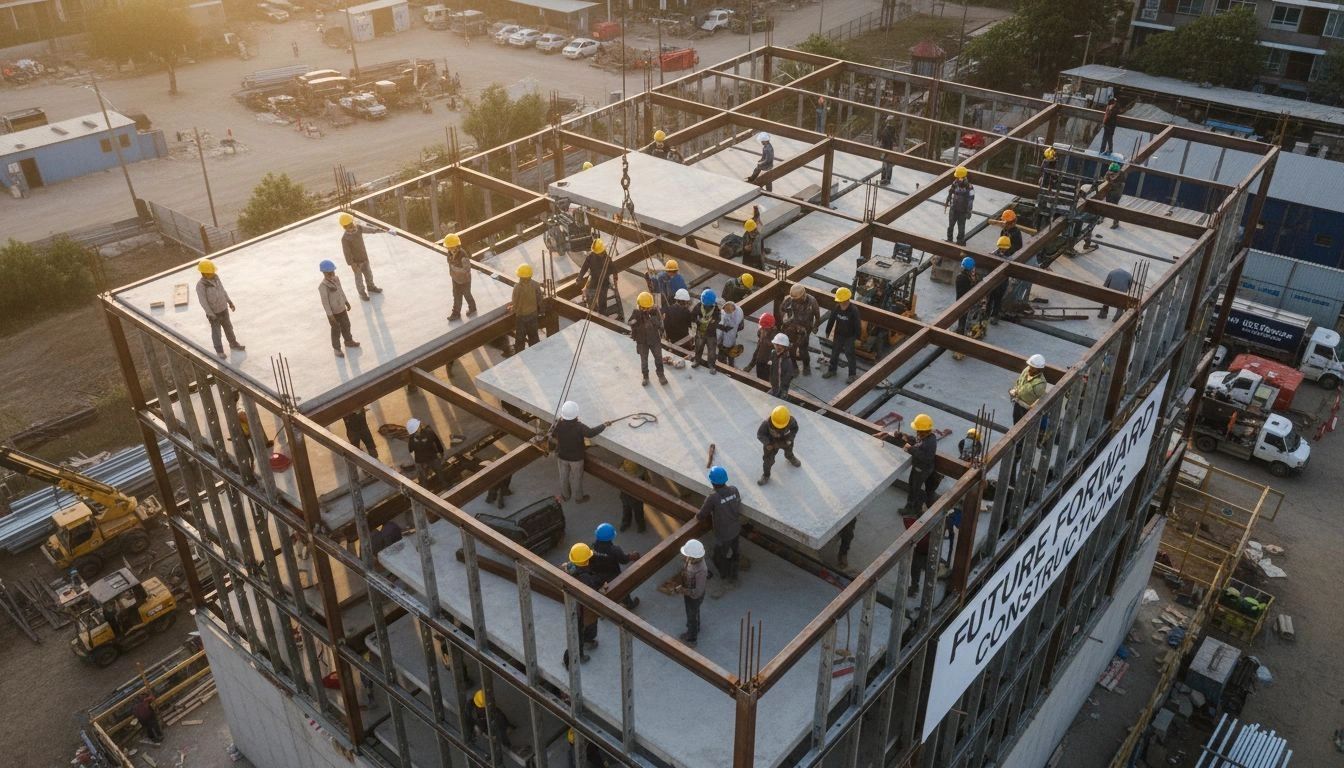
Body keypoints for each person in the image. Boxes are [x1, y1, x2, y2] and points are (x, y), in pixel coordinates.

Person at [697, 466, 741, 598]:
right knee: (735, 552)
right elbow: (737, 503)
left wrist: (698, 517)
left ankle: (726, 575)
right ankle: (734, 571)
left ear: (712, 482)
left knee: (718, 556)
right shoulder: (734, 489)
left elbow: (701, 515)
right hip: (736, 529)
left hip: (723, 534)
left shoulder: (713, 498)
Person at [552, 400, 607, 503]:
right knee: (577, 479)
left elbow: (553, 433)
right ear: (576, 414)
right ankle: (578, 498)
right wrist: (603, 425)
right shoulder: (579, 427)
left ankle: (565, 496)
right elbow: (591, 433)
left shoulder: (559, 424)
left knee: (563, 478)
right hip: (576, 459)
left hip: (562, 456)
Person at [195, 258, 245, 360]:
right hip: (214, 314)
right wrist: (210, 314)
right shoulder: (201, 286)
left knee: (229, 328)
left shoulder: (216, 278)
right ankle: (219, 351)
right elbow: (203, 302)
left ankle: (233, 344)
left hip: (223, 309)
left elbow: (222, 291)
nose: (213, 273)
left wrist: (229, 302)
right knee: (217, 333)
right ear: (204, 273)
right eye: (211, 272)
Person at [563, 543, 604, 663]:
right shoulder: (586, 577)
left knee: (580, 628)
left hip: (574, 605)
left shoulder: (570, 567)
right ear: (587, 559)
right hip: (582, 608)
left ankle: (585, 642)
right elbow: (593, 588)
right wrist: (601, 587)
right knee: (582, 628)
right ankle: (579, 653)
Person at [896, 413, 940, 515]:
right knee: (912, 485)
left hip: (922, 469)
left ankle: (912, 508)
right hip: (918, 467)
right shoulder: (925, 436)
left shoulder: (930, 442)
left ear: (923, 430)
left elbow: (926, 458)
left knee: (914, 489)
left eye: (918, 430)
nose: (917, 432)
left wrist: (910, 449)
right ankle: (916, 505)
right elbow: (916, 441)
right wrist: (904, 436)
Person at [590, 523, 641, 609]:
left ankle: (600, 604)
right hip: (612, 574)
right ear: (612, 536)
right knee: (622, 588)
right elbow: (623, 560)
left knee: (598, 588)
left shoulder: (592, 546)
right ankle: (628, 603)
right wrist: (632, 556)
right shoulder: (615, 549)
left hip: (596, 574)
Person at [319, 260, 361, 357]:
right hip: (333, 313)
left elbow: (341, 291)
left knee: (346, 325)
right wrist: (330, 316)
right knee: (336, 330)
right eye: (329, 273)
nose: (332, 274)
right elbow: (325, 303)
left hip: (342, 309)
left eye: (333, 272)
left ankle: (348, 341)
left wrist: (346, 301)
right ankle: (337, 349)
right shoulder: (323, 286)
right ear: (324, 273)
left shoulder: (336, 279)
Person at [339, 212, 383, 301]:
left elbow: (367, 229)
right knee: (359, 279)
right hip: (356, 263)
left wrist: (377, 230)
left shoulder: (358, 228)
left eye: (352, 224)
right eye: (349, 226)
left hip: (364, 258)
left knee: (369, 274)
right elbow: (347, 253)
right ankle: (362, 293)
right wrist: (352, 264)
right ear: (345, 227)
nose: (352, 227)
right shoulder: (345, 239)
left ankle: (371, 287)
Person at [673, 538, 708, 644]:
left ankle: (692, 638)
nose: (686, 557)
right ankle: (696, 627)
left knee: (691, 615)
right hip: (689, 593)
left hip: (694, 597)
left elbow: (697, 592)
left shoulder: (701, 570)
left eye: (688, 556)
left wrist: (682, 590)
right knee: (694, 612)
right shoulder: (691, 559)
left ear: (695, 557)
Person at [822, 286, 861, 383]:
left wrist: (857, 338)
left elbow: (858, 325)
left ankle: (852, 375)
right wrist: (827, 331)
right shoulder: (837, 307)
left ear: (847, 299)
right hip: (838, 335)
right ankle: (832, 370)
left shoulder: (854, 310)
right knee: (834, 353)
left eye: (841, 301)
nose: (840, 303)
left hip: (850, 337)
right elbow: (831, 319)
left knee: (849, 354)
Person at [782, 284, 821, 376]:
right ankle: (794, 366)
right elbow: (782, 309)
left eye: (797, 299)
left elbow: (817, 316)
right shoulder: (790, 299)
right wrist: (787, 319)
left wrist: (815, 326)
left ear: (803, 295)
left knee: (803, 349)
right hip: (792, 328)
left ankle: (806, 366)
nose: (795, 300)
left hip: (805, 330)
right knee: (791, 348)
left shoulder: (812, 301)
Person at [629, 291, 667, 386]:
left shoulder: (655, 311)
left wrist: (655, 321)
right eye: (643, 308)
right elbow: (630, 322)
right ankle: (645, 376)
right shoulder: (636, 312)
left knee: (658, 358)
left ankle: (661, 375)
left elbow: (661, 325)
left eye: (647, 308)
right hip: (642, 341)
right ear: (640, 306)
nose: (646, 310)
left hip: (654, 340)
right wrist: (633, 322)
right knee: (644, 360)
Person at [757, 405, 800, 485]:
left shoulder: (791, 421)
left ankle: (790, 457)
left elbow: (795, 428)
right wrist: (768, 443)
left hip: (785, 441)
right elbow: (760, 435)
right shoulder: (766, 424)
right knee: (768, 461)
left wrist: (790, 438)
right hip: (771, 444)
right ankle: (766, 475)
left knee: (789, 451)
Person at [577, 238, 619, 317]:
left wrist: (615, 278)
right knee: (590, 297)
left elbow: (614, 269)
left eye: (599, 253)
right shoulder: (590, 257)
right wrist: (579, 277)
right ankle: (593, 312)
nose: (598, 254)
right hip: (594, 280)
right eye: (596, 253)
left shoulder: (607, 259)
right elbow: (584, 268)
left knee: (602, 301)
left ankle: (602, 315)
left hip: (604, 282)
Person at [509, 263, 543, 352]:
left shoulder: (517, 287)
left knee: (520, 339)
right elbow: (539, 299)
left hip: (521, 317)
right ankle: (537, 352)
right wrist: (540, 311)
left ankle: (520, 353)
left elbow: (515, 302)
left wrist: (512, 308)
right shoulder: (536, 284)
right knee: (534, 336)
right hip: (533, 315)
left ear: (520, 276)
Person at [443, 233, 477, 320]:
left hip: (465, 280)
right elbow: (449, 263)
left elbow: (466, 269)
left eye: (451, 247)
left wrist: (455, 269)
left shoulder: (463, 255)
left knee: (467, 294)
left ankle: (472, 308)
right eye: (448, 247)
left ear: (456, 246)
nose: (449, 249)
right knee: (456, 295)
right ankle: (456, 313)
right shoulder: (449, 254)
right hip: (455, 279)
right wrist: (453, 272)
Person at [690, 289, 721, 372]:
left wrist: (712, 323)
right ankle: (697, 360)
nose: (707, 307)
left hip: (711, 334)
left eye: (709, 305)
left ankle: (711, 365)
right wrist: (698, 321)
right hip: (700, 332)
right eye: (706, 305)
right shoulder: (698, 306)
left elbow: (718, 319)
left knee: (712, 351)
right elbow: (692, 316)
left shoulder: (716, 309)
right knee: (698, 347)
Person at [406, 418, 444, 484]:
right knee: (439, 473)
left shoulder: (412, 440)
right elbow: (437, 442)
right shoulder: (429, 432)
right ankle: (444, 483)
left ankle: (427, 486)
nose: (420, 424)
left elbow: (411, 451)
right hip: (431, 458)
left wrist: (416, 461)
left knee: (424, 478)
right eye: (419, 425)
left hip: (423, 460)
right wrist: (440, 452)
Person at [1010, 354, 1047, 422]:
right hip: (1018, 403)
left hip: (1027, 410)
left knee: (1024, 425)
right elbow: (1019, 381)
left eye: (1033, 367)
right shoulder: (1026, 370)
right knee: (1016, 421)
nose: (1030, 368)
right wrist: (1015, 389)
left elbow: (1039, 400)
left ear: (1039, 369)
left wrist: (1031, 409)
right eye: (1030, 366)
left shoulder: (1040, 384)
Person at [944, 166, 974, 245]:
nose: (957, 178)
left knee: (961, 228)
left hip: (963, 211)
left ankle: (960, 242)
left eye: (958, 177)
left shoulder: (969, 187)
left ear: (962, 177)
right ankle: (949, 239)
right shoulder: (955, 183)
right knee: (950, 226)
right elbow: (951, 192)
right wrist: (948, 199)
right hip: (954, 208)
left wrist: (969, 211)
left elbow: (971, 200)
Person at [986, 236, 1012, 325]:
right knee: (995, 300)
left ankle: (989, 315)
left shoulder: (993, 254)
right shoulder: (1007, 258)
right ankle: (991, 315)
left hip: (996, 282)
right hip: (999, 282)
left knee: (992, 299)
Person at [617, 459, 648, 532]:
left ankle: (639, 525)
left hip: (635, 495)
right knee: (629, 510)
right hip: (627, 494)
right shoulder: (639, 471)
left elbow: (647, 482)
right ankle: (636, 525)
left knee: (637, 511)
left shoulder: (640, 475)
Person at [746, 313, 777, 380]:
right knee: (759, 377)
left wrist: (764, 338)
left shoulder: (775, 336)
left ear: (771, 327)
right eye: (761, 327)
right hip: (760, 360)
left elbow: (771, 345)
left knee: (766, 379)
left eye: (764, 328)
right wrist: (750, 365)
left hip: (768, 363)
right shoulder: (761, 331)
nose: (762, 329)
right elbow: (757, 350)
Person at [717, 299, 745, 368]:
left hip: (727, 339)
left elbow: (738, 326)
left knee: (725, 353)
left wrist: (724, 328)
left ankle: (725, 367)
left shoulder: (736, 316)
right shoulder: (737, 310)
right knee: (729, 353)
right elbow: (741, 326)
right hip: (729, 337)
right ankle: (729, 366)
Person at [767, 332, 796, 397]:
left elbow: (790, 375)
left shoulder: (787, 360)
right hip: (774, 387)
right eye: (775, 344)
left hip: (781, 390)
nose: (776, 346)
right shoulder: (774, 354)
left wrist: (781, 388)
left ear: (784, 346)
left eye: (778, 345)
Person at [955, 256, 978, 333]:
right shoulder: (966, 278)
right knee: (964, 315)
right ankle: (962, 329)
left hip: (960, 299)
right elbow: (971, 287)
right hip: (966, 300)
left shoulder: (959, 276)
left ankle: (960, 328)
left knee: (961, 315)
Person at [1100, 161, 1125, 229]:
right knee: (1106, 204)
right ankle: (1102, 217)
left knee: (1114, 207)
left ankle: (1116, 223)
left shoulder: (1121, 175)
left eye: (1114, 173)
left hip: (1117, 193)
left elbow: (1118, 185)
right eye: (1110, 171)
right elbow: (1105, 179)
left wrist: (1111, 182)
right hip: (1109, 191)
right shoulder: (1108, 173)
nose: (1112, 174)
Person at [877, 114, 896, 186]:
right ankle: (885, 179)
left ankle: (885, 179)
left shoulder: (888, 129)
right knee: (887, 165)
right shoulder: (890, 129)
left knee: (886, 165)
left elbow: (884, 140)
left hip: (886, 149)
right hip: (888, 149)